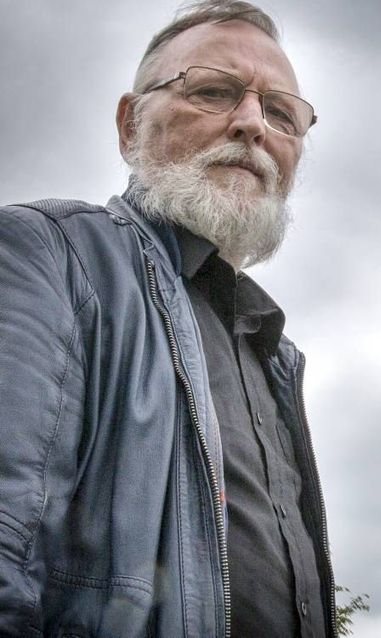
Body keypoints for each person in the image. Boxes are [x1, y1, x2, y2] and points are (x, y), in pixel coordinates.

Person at [0, 2, 335, 635]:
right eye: (213, 91)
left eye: (282, 114)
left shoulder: (274, 353)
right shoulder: (49, 258)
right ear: (130, 126)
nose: (252, 125)